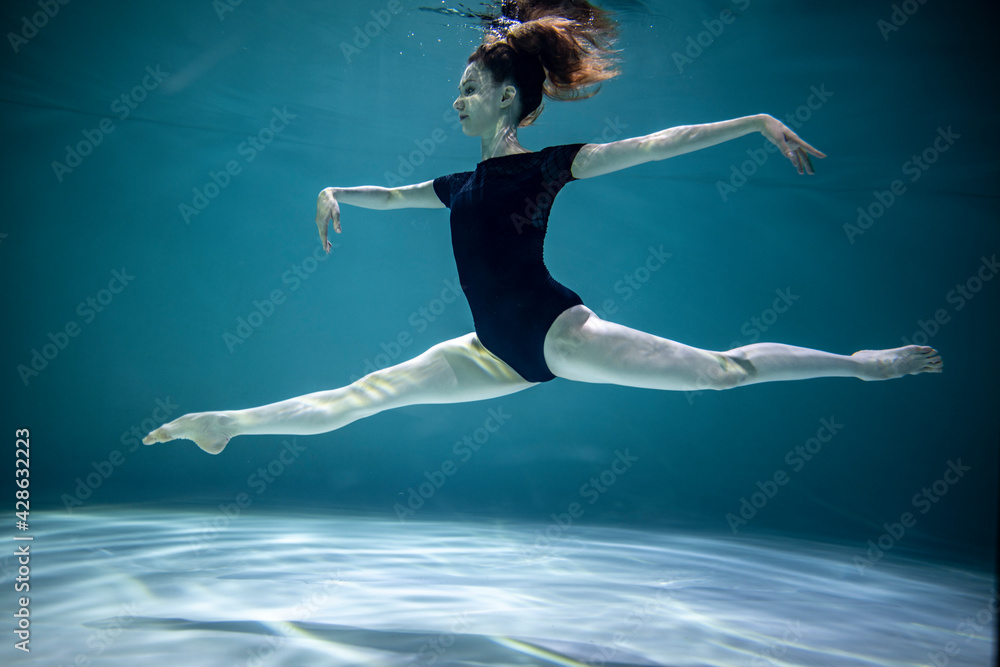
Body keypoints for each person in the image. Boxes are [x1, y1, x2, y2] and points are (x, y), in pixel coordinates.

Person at [144, 0, 941, 455]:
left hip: (558, 332)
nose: (454, 99)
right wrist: (334, 189)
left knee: (721, 372)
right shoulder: (459, 182)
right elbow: (389, 196)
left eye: (466, 86)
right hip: (489, 351)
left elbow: (657, 145)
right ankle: (225, 425)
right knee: (362, 397)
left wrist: (755, 122)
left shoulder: (550, 165)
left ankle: (862, 365)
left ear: (507, 98)